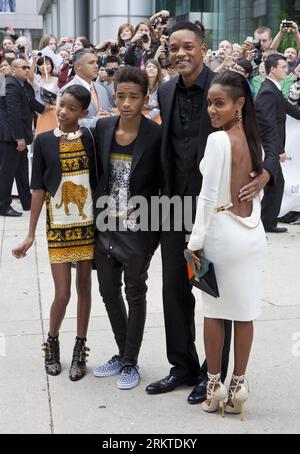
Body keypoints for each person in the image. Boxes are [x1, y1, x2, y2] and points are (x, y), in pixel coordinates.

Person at [145, 22, 232, 404]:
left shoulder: (224, 86)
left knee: (213, 292)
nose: (180, 54)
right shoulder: (164, 91)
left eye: (188, 47)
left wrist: (264, 173)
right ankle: (182, 365)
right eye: (173, 48)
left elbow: (256, 132)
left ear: (203, 47)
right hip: (173, 206)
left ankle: (212, 373)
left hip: (213, 208)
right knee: (174, 290)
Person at [187, 70, 267, 419]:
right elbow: (253, 190)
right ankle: (239, 386)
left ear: (239, 104)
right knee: (246, 312)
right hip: (251, 233)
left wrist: (195, 242)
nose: (211, 110)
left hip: (222, 231)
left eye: (219, 103)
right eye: (209, 103)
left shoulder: (219, 141)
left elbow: (207, 198)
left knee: (214, 312)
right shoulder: (253, 141)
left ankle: (214, 385)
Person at [12, 85, 98, 381]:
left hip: (86, 225)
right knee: (62, 294)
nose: (63, 111)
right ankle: (52, 341)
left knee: (84, 287)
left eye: (72, 108)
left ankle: (80, 348)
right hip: (57, 225)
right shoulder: (44, 141)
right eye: (62, 105)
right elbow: (38, 190)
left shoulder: (90, 138)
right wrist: (30, 233)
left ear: (83, 113)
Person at [93, 67, 162, 390]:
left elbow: (164, 185)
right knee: (108, 292)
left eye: (133, 97)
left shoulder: (155, 134)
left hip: (137, 230)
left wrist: (153, 237)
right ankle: (122, 353)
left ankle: (131, 361)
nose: (125, 103)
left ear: (145, 99)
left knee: (135, 292)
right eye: (120, 96)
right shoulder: (103, 127)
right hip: (105, 225)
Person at [255, 54, 300, 233]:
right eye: (283, 67)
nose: (286, 70)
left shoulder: (273, 88)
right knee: (273, 183)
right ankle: (264, 223)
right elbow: (267, 123)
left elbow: (289, 108)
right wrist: (278, 149)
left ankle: (266, 223)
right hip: (270, 147)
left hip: (271, 146)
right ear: (272, 70)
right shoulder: (267, 90)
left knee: (275, 184)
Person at [0, 59, 46, 217]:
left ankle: (27, 203)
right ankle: (3, 205)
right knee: (7, 172)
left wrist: (47, 108)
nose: (28, 70)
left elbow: (32, 103)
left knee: (22, 170)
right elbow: (13, 112)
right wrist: (18, 137)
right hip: (10, 136)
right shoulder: (10, 83)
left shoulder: (24, 84)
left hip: (19, 134)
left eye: (29, 67)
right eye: (24, 67)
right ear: (13, 70)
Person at [60, 49, 112, 127]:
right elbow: (65, 121)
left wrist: (109, 115)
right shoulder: (66, 90)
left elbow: (108, 110)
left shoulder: (102, 89)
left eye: (96, 62)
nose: (96, 66)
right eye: (91, 63)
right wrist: (97, 121)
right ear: (78, 66)